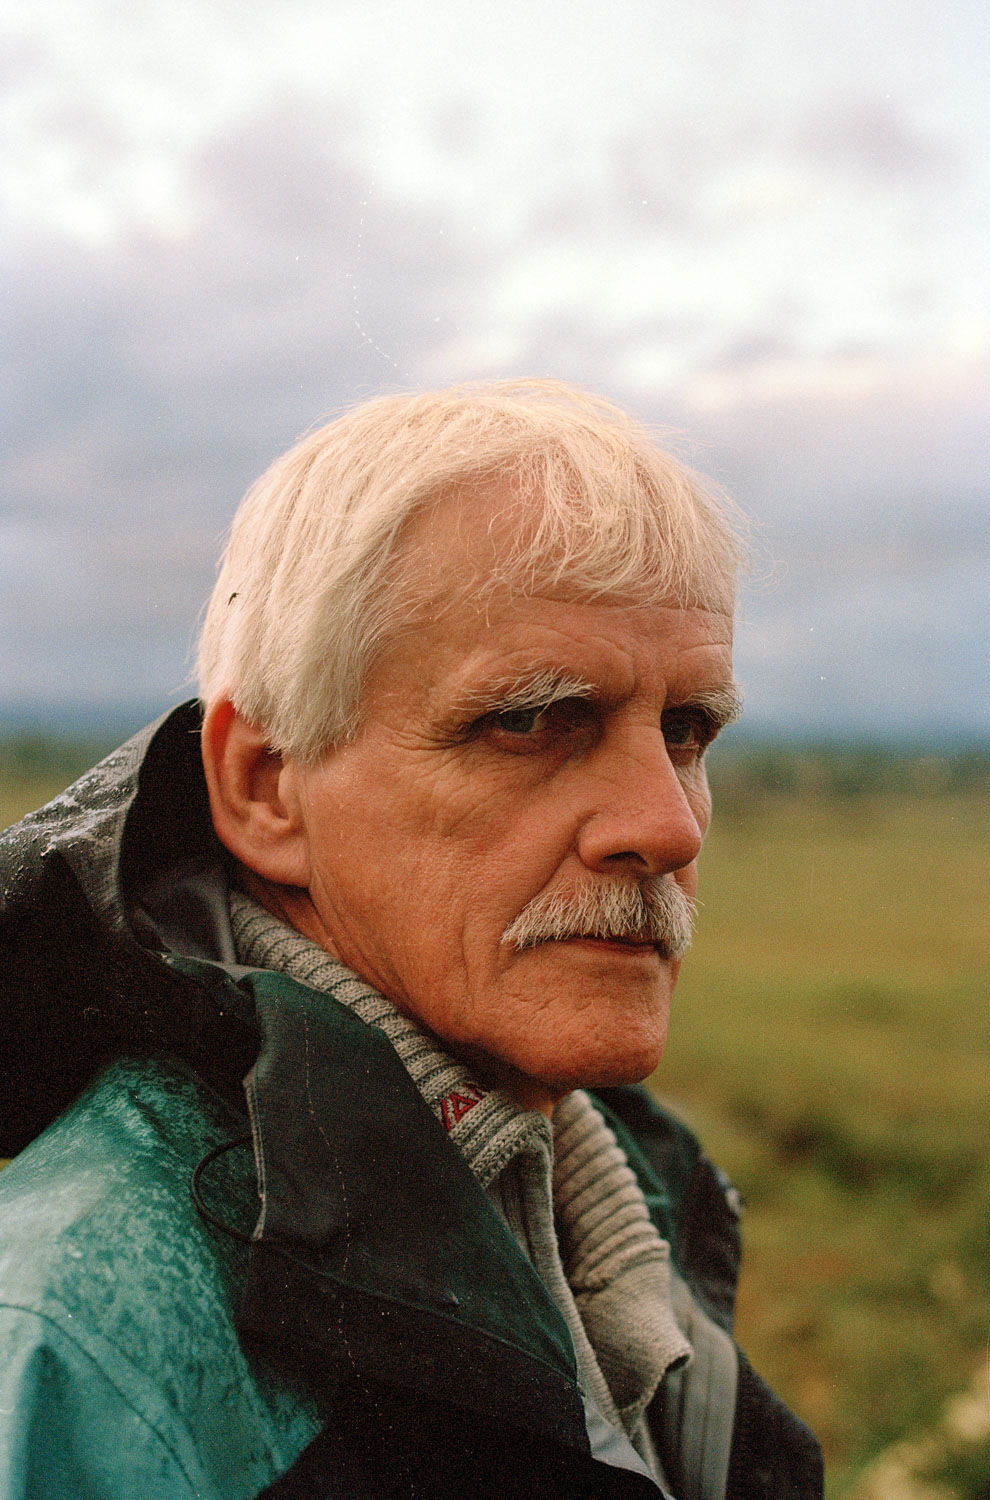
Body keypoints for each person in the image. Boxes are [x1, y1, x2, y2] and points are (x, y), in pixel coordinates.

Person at [0, 381, 822, 1498]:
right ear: (265, 787)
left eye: (686, 730)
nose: (668, 825)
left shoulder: (622, 1204)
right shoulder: (80, 1342)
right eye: (533, 720)